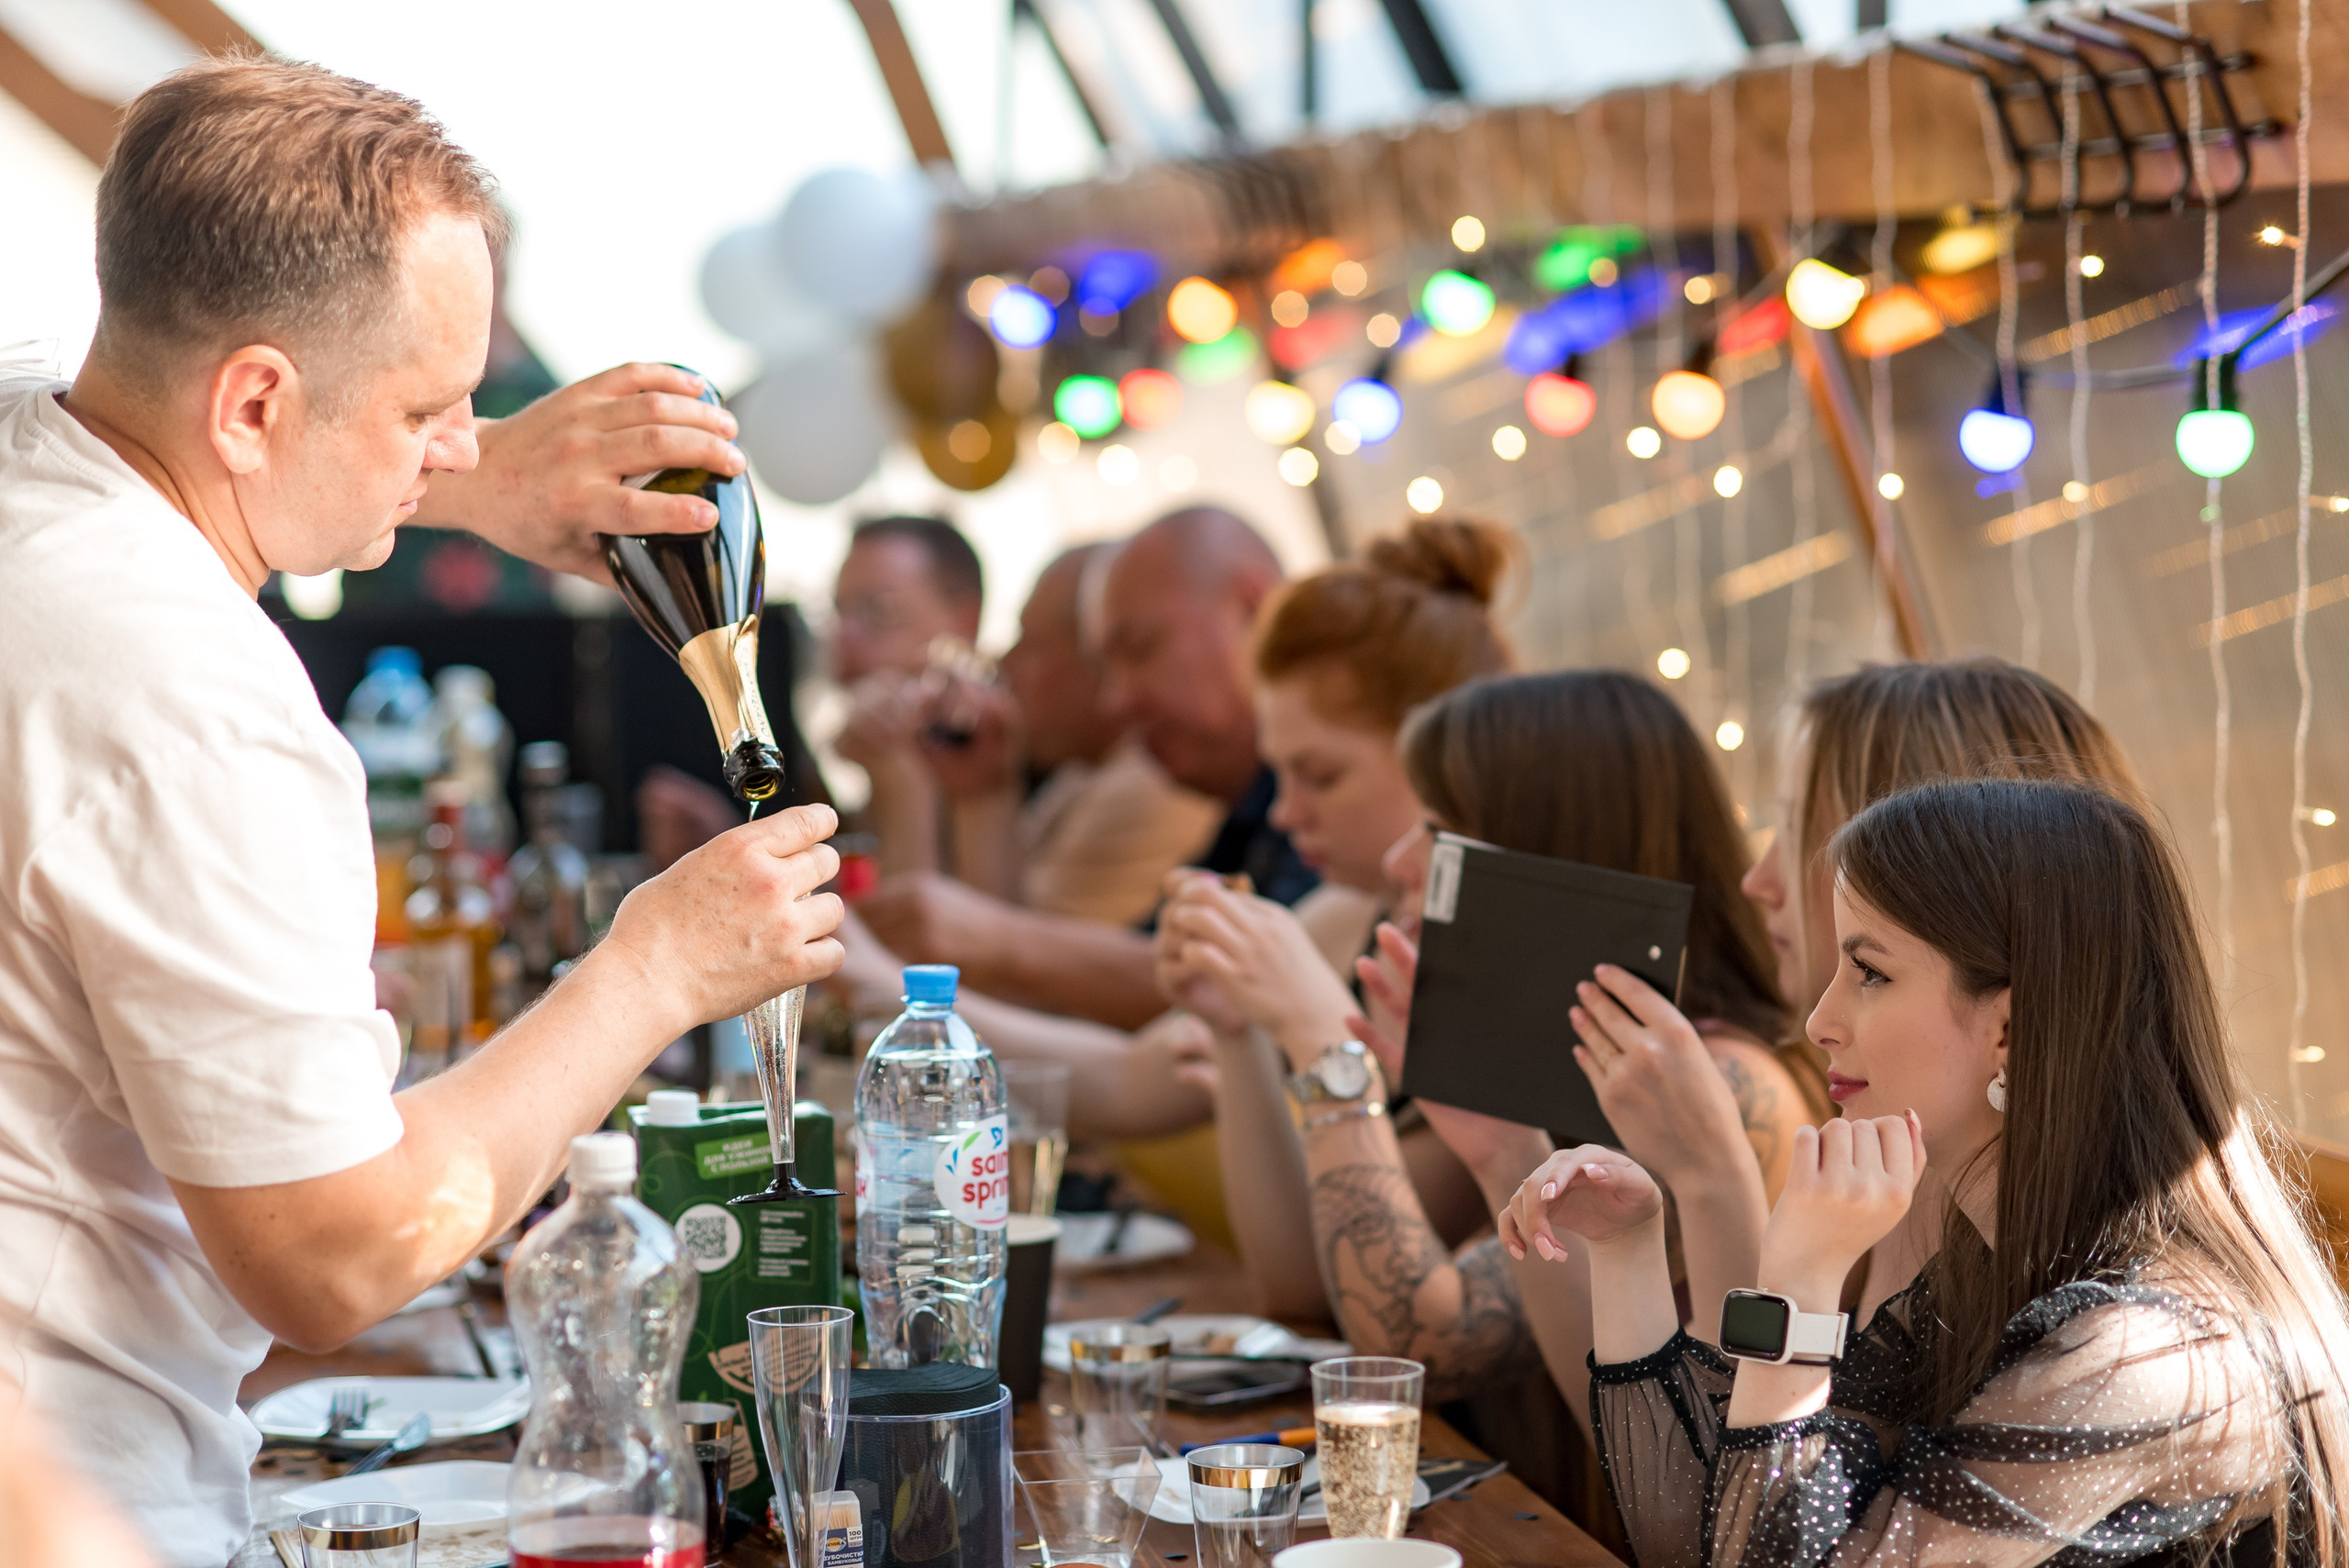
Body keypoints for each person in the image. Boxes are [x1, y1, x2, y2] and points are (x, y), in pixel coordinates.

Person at [0, 59, 844, 1567]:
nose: (462, 444)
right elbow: (337, 1257)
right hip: (86, 1497)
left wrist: (468, 471)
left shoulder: (33, 473)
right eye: (432, 406)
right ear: (254, 400)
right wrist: (658, 964)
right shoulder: (193, 699)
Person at [1510, 778, 2349, 1568]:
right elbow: (1703, 1536)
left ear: (2012, 1031)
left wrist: (1800, 1283)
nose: (1819, 1020)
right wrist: (1626, 1250)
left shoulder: (2142, 1353)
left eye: (1870, 972)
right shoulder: (1986, 1270)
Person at [1165, 671, 1817, 1430]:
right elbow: (1302, 1290)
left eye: (1441, 833)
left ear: (1551, 858)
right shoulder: (1567, 1062)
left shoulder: (1722, 1083)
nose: (1402, 861)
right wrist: (1241, 1028)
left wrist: (1323, 1045)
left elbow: (1418, 1342)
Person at [1152, 517, 1520, 1319]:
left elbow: (1364, 1299)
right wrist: (1238, 1029)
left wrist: (1314, 1027)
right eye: (1278, 773)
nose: (1284, 814)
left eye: (1319, 774)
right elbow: (1293, 1290)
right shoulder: (1359, 912)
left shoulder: (1500, 968)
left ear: (1445, 755)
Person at [858, 506, 1317, 1029]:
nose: (1115, 701)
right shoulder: (1243, 807)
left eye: (1141, 649)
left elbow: (1238, 986)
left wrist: (989, 941)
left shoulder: (1158, 788)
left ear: (1251, 608)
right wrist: (982, 800)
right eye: (1102, 668)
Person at [877, 541, 1222, 925]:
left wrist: (905, 778)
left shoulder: (1154, 780)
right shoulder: (1080, 774)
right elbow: (998, 941)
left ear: (1094, 662)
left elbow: (999, 964)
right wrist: (983, 792)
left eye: (1032, 645)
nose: (1007, 664)